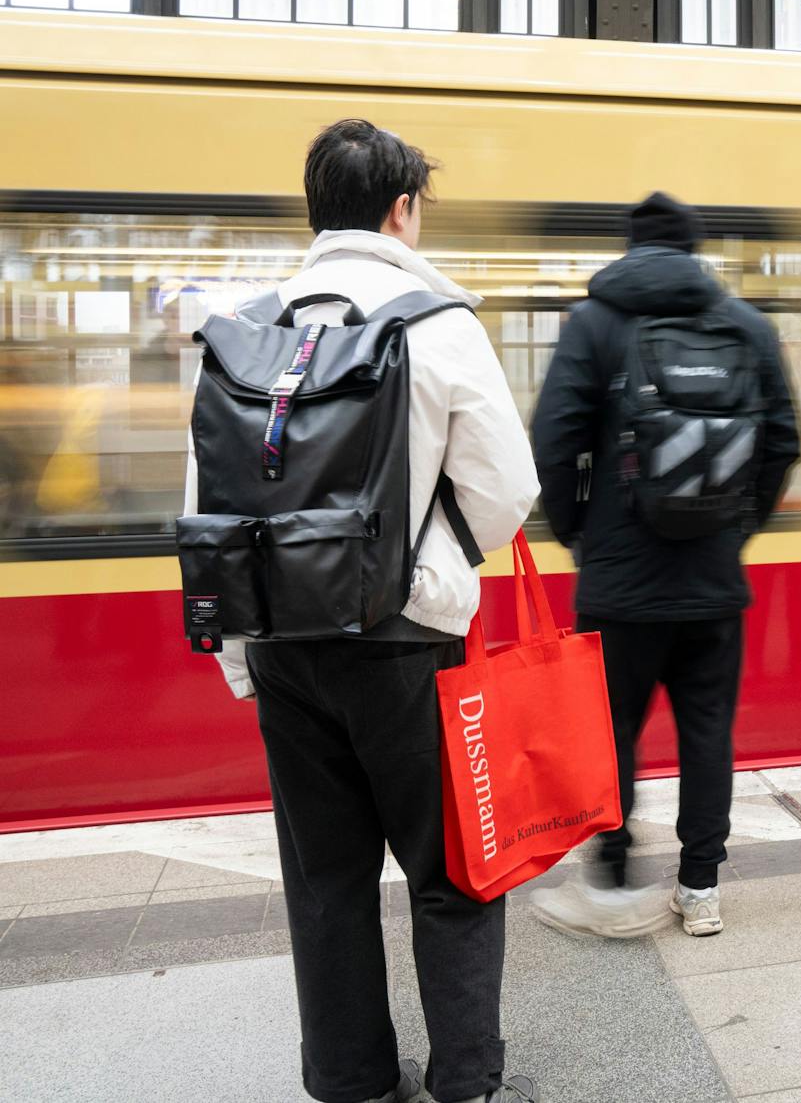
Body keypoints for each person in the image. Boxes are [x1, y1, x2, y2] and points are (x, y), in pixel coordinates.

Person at [182, 121, 541, 1103]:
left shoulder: (245, 330)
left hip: (284, 651)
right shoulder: (439, 322)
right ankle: (464, 1080)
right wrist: (426, 560)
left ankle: (350, 1081)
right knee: (454, 872)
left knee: (325, 883)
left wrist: (243, 656)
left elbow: (207, 500)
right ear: (402, 208)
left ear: (315, 212)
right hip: (407, 647)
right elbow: (511, 487)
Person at [527, 192, 800, 938]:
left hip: (620, 584)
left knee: (611, 731)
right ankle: (701, 888)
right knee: (708, 730)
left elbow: (553, 441)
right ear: (693, 250)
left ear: (633, 249)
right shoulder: (744, 325)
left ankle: (611, 877)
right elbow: (783, 443)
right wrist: (737, 530)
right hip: (713, 582)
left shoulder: (596, 324)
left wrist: (580, 534)